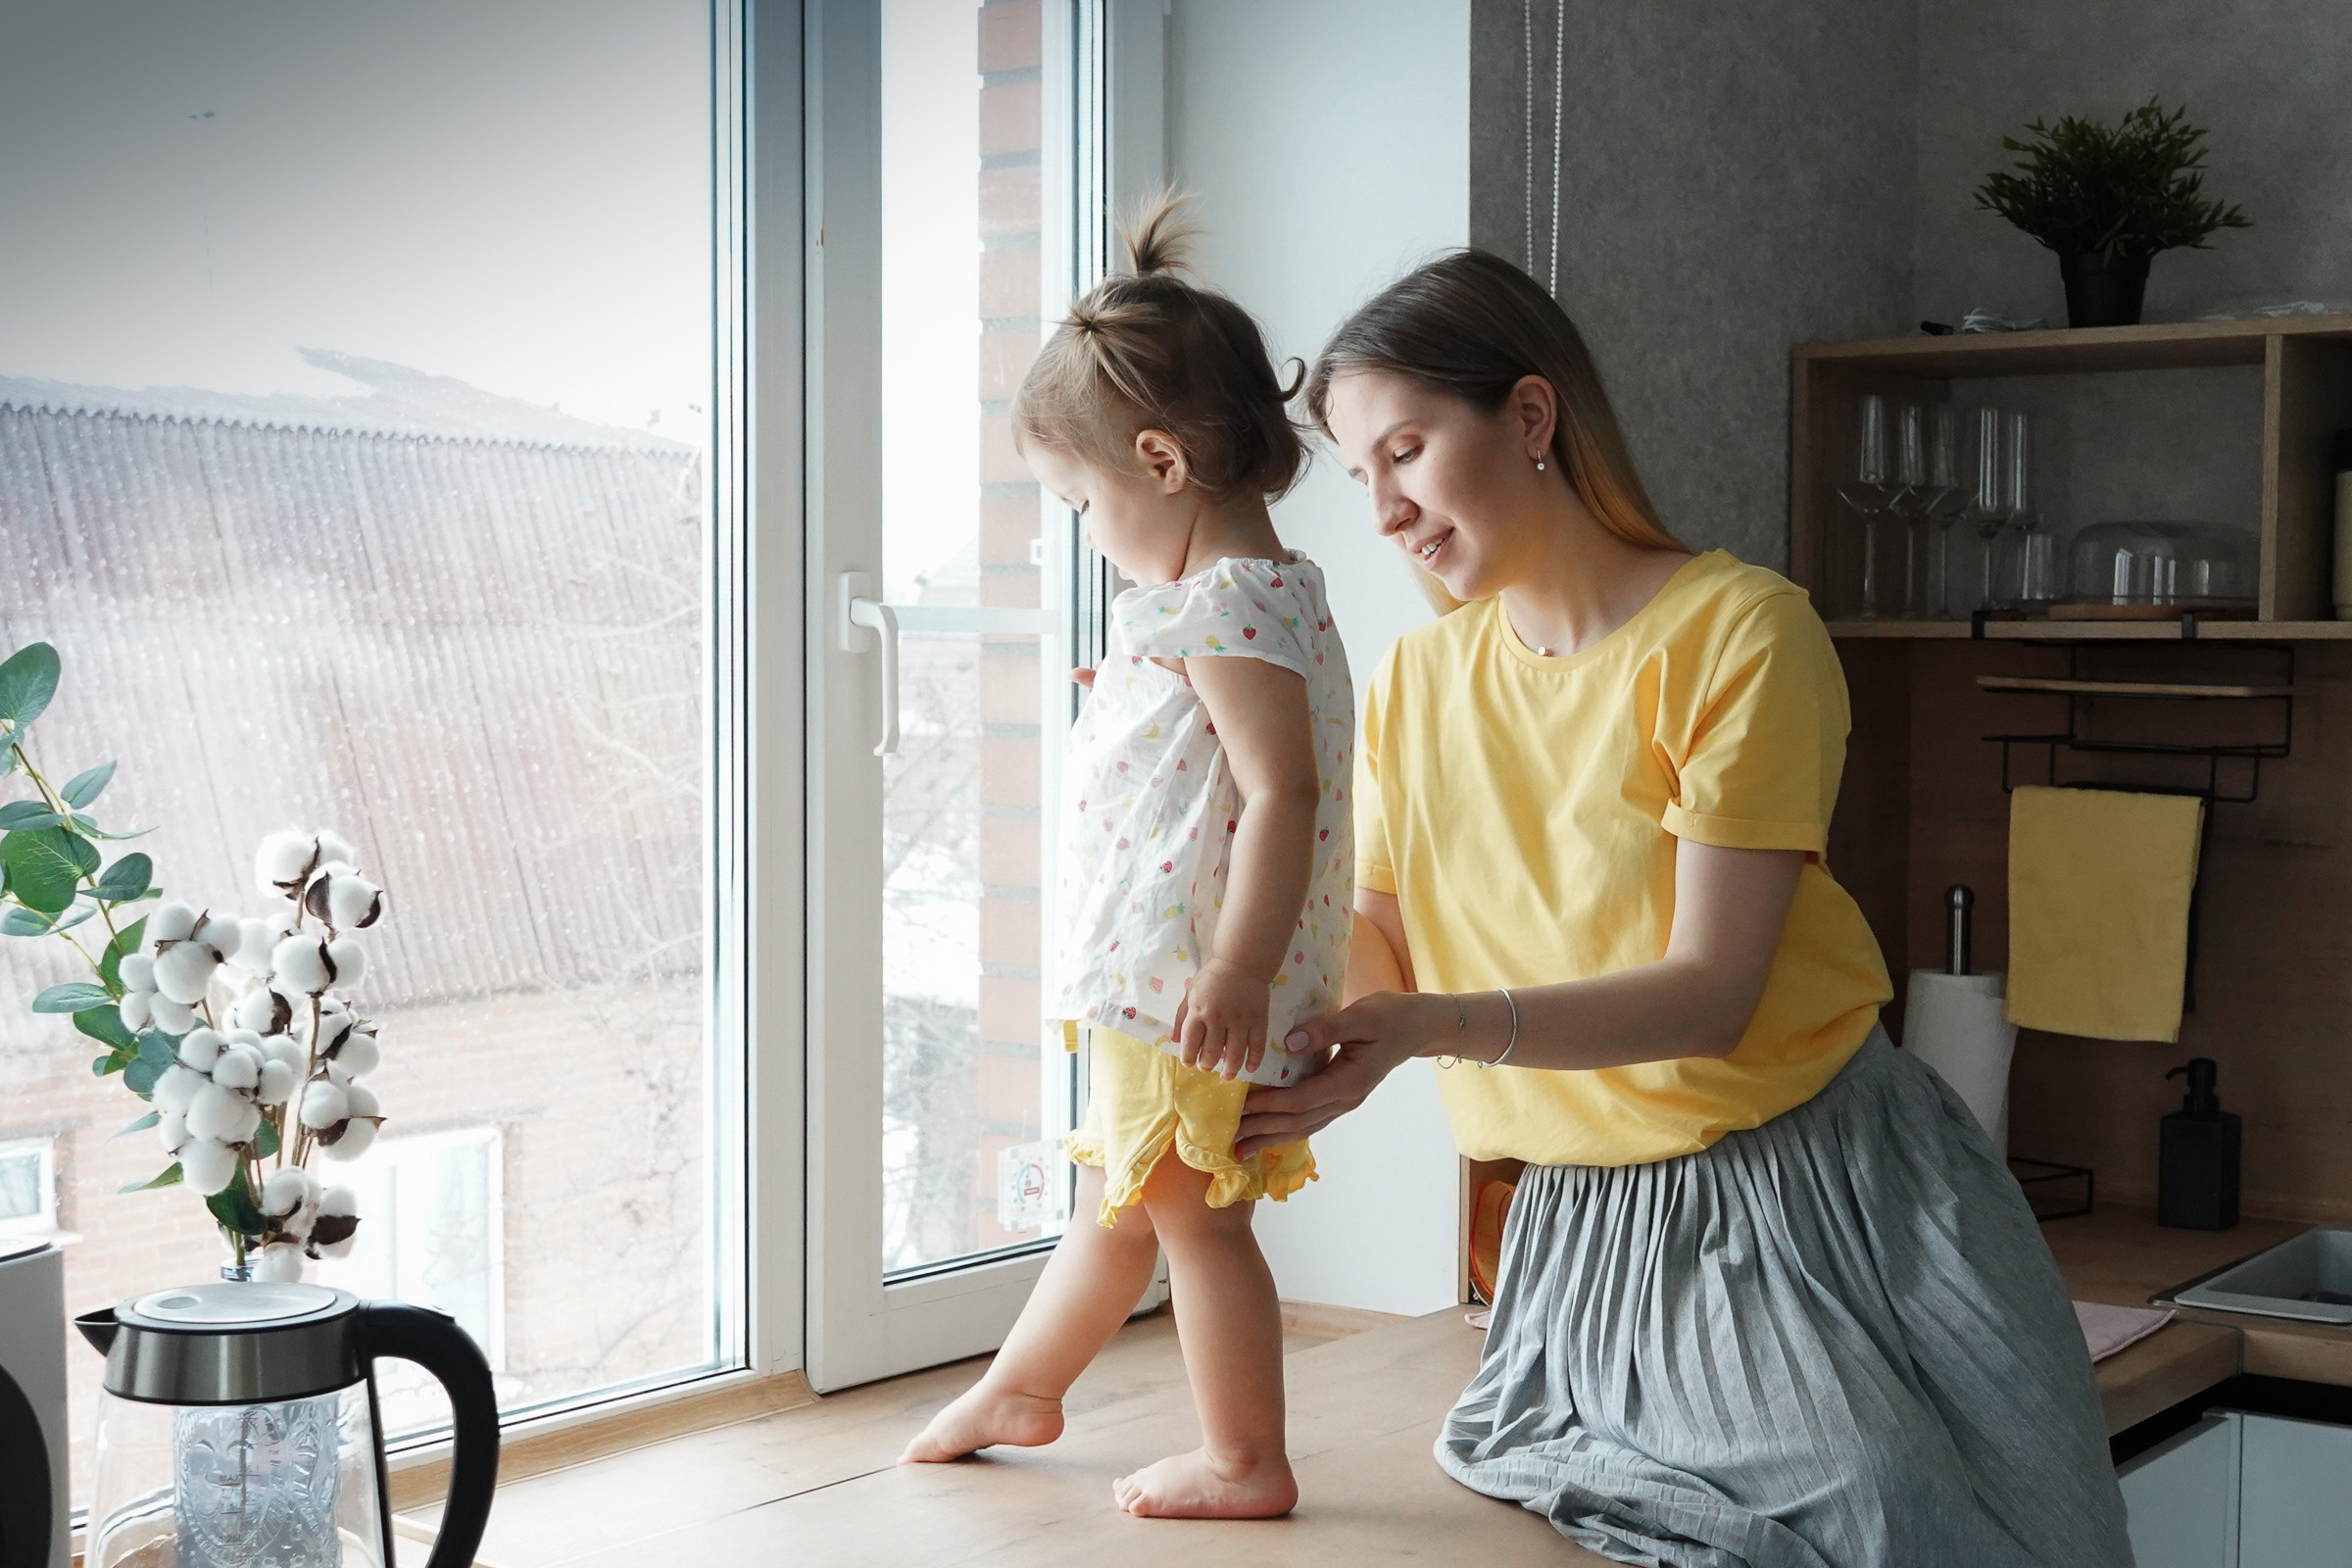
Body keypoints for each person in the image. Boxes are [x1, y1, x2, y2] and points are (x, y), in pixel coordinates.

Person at [1231, 250, 2131, 1567]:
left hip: (1839, 1187)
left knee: (2015, 1532)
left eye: (1407, 452)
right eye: (1361, 474)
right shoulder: (1421, 681)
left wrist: (1427, 1026)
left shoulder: (1742, 635)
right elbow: (1387, 934)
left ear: (1531, 418)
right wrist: (1261, 985)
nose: (1384, 511)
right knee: (1877, 1523)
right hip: (1594, 1230)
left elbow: (1713, 992)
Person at [901, 198, 1353, 1523]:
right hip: (1161, 979)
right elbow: (1222, 768)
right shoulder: (1240, 603)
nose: (1080, 527)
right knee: (1120, 1193)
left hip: (1187, 983)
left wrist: (1237, 969)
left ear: (1158, 464)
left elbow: (1283, 792)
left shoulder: (1228, 606)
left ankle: (1245, 1459)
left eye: (1077, 499)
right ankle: (1022, 1387)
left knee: (1193, 1217)